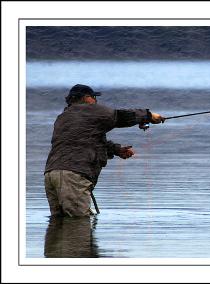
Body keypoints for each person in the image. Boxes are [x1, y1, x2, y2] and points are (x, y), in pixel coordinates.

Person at [44, 84, 165, 217]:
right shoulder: (91, 110)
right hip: (74, 175)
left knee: (59, 223)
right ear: (87, 98)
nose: (96, 101)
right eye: (94, 97)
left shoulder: (64, 117)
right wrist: (148, 116)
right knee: (78, 222)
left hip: (52, 174)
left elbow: (84, 140)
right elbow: (120, 116)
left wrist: (116, 150)